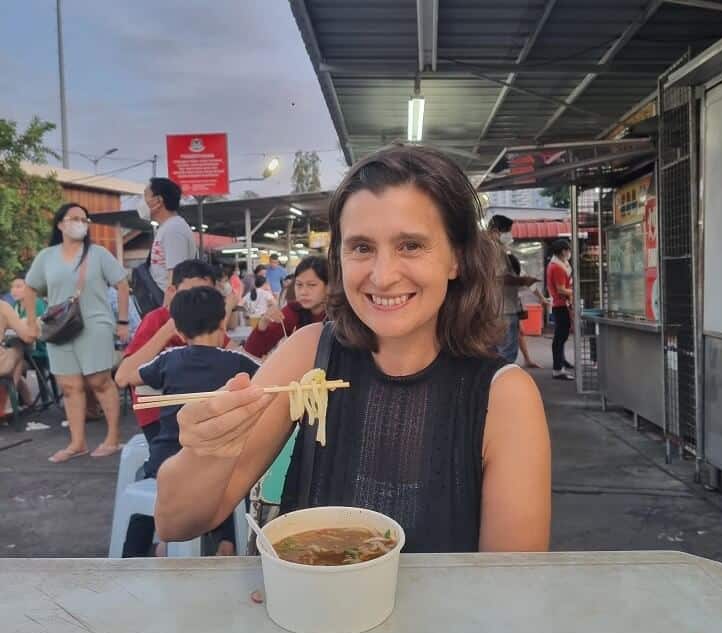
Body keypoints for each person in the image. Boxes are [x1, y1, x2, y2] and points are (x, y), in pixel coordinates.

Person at [156, 145, 551, 553]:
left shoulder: (504, 396)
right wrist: (207, 452)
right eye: (361, 247)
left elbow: (510, 583)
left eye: (411, 245)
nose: (382, 276)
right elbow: (177, 523)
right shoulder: (308, 355)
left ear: (456, 259)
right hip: (308, 610)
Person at [120, 286, 259, 557]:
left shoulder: (168, 360)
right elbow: (268, 373)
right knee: (234, 483)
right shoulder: (236, 361)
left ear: (180, 333)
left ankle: (139, 553)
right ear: (223, 323)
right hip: (218, 460)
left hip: (165, 460)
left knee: (152, 486)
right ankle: (228, 542)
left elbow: (131, 378)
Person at [24, 203, 129, 462]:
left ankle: (113, 438)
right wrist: (29, 322)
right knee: (69, 387)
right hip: (59, 327)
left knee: (99, 381)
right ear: (60, 224)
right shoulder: (47, 256)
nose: (80, 223)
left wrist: (123, 321)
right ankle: (77, 443)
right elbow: (29, 288)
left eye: (84, 219)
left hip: (96, 324)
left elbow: (122, 284)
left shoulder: (99, 253)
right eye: (74, 218)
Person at [115, 259, 218, 447]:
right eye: (190, 293)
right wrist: (168, 329)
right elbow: (122, 377)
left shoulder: (206, 321)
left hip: (199, 411)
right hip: (159, 417)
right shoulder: (156, 320)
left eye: (205, 295)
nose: (196, 302)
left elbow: (235, 354)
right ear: (172, 292)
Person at [243, 255, 328, 358]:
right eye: (299, 285)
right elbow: (252, 352)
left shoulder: (342, 315)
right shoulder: (293, 312)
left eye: (311, 285)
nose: (303, 292)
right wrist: (264, 322)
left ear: (329, 286)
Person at [489, 215, 539, 365]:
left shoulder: (493, 248)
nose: (510, 235)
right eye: (508, 231)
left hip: (501, 306)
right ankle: (502, 383)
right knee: (505, 352)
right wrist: (523, 281)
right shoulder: (494, 249)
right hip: (503, 308)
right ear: (496, 230)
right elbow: (500, 278)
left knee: (499, 350)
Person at [137, 178, 196, 293]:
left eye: (145, 196)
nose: (141, 202)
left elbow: (175, 277)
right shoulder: (166, 228)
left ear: (158, 201)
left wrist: (166, 308)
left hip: (169, 305)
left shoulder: (174, 229)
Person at [546, 238, 575, 380]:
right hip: (560, 304)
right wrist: (576, 292)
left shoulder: (559, 263)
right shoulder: (557, 267)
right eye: (569, 249)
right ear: (563, 251)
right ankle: (558, 369)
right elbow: (561, 289)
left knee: (561, 337)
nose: (570, 252)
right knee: (560, 337)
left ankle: (561, 362)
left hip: (561, 304)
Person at [0, 300, 35, 408]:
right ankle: (9, 404)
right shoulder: (3, 306)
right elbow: (27, 337)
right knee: (18, 350)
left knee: (11, 358)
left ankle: (26, 401)